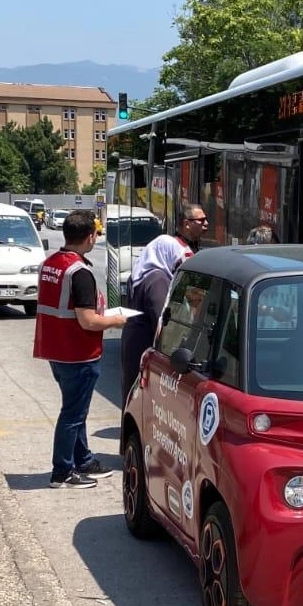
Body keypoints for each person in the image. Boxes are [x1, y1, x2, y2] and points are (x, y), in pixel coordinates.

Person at [33, 210, 128, 490]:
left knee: (76, 411)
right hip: (78, 353)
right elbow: (88, 321)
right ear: (90, 237)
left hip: (56, 350)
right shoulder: (81, 272)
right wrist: (118, 320)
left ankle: (83, 460)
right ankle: (62, 472)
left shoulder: (51, 263)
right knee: (73, 415)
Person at [120, 235, 189, 403]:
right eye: (177, 261)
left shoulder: (143, 272)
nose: (178, 265)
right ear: (167, 254)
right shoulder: (158, 280)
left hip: (134, 343)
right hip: (145, 346)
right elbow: (163, 323)